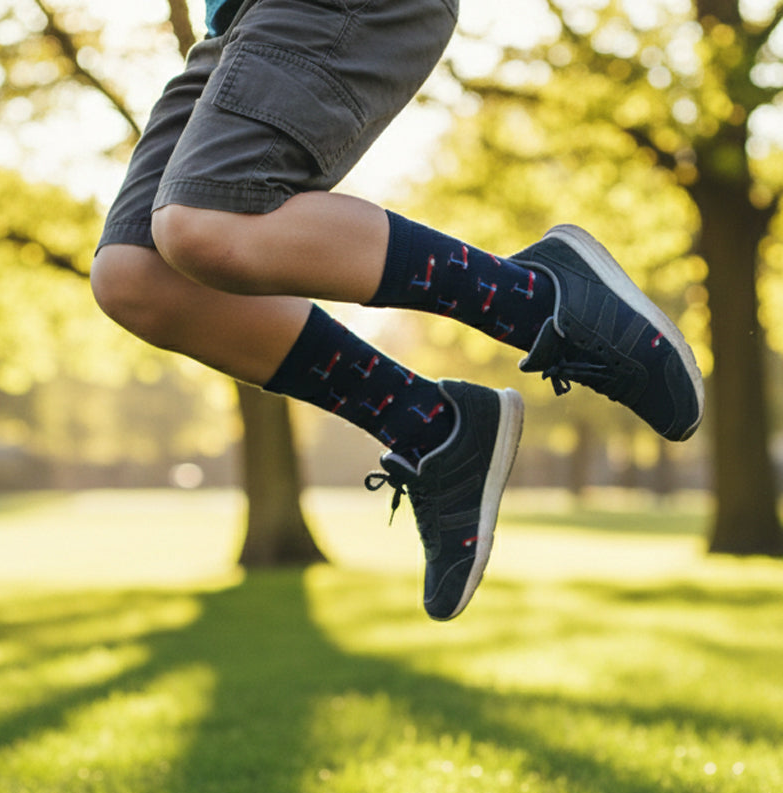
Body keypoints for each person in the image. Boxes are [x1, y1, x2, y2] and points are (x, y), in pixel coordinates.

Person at [90, 0, 704, 620]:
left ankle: (541, 301)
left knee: (208, 221)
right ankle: (434, 429)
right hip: (232, 24)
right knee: (136, 277)